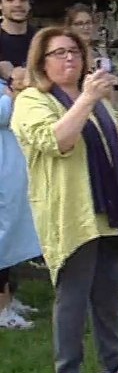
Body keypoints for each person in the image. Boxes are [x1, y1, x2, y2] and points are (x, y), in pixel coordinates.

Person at [12, 27, 118, 373]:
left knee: (107, 290)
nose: (69, 59)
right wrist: (88, 99)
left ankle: (114, 361)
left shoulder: (94, 99)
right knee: (73, 295)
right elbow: (58, 141)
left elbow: (105, 150)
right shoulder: (32, 100)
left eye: (74, 51)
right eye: (58, 53)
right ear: (41, 61)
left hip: (108, 208)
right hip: (72, 212)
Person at [0, 70, 42, 329]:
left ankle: (9, 297)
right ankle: (1, 310)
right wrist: (14, 94)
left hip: (11, 168)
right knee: (2, 239)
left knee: (12, 237)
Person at [0, 0, 34, 83]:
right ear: (1, 5)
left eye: (23, 0)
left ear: (29, 5)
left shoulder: (42, 38)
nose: (18, 4)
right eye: (10, 0)